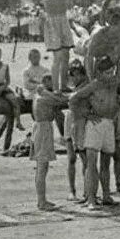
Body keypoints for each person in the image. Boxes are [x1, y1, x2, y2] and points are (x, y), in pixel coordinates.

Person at [0, 0, 98, 91]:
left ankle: (64, 84)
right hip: (52, 22)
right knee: (58, 56)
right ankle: (56, 88)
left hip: (63, 20)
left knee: (66, 55)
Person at [69, 55, 120, 209]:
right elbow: (73, 100)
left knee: (106, 163)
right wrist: (87, 114)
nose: (109, 75)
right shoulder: (94, 85)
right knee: (91, 164)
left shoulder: (114, 83)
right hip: (95, 124)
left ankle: (106, 195)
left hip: (108, 124)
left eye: (111, 72)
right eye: (106, 72)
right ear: (99, 72)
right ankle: (91, 198)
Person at [30, 74, 72, 210]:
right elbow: (62, 101)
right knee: (42, 167)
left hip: (41, 128)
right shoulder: (44, 95)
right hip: (43, 129)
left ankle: (42, 200)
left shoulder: (40, 93)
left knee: (43, 167)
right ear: (46, 81)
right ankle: (41, 202)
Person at [63, 60, 89, 200]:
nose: (76, 78)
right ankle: (72, 190)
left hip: (81, 122)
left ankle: (87, 190)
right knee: (71, 158)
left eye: (78, 74)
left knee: (85, 158)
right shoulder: (72, 88)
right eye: (73, 75)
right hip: (70, 120)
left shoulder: (87, 86)